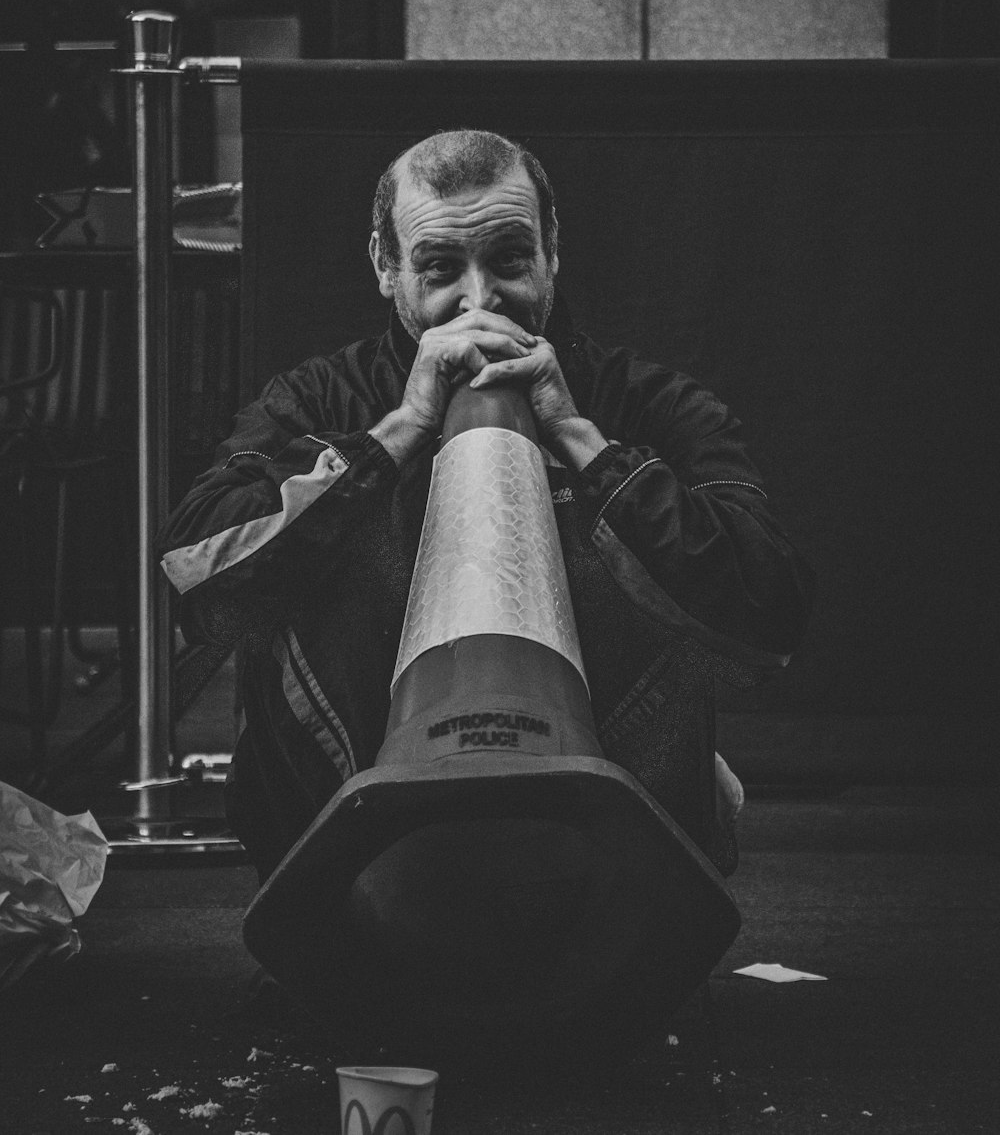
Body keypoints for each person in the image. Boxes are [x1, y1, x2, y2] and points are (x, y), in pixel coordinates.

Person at [157, 129, 814, 882]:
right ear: (384, 264)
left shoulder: (645, 402)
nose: (479, 300)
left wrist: (580, 440)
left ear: (551, 252)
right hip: (350, 860)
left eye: (508, 260)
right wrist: (395, 436)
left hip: (613, 860)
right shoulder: (312, 400)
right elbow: (195, 580)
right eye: (439, 268)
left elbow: (771, 609)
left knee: (643, 564)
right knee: (312, 550)